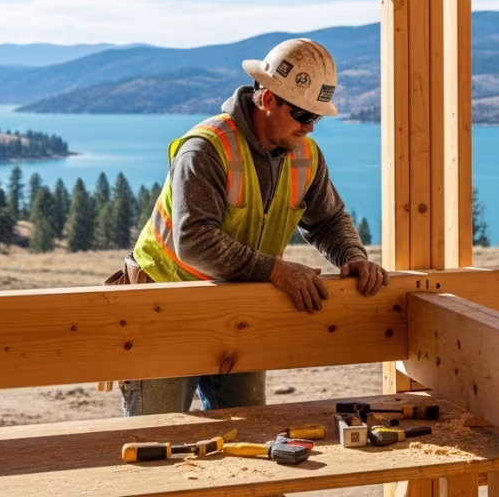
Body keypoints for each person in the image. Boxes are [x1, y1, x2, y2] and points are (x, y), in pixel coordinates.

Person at [120, 37, 388, 416]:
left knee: (247, 434)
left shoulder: (305, 156)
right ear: (267, 99)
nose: (309, 128)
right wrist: (275, 271)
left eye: (316, 118)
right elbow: (194, 242)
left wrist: (353, 256)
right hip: (166, 308)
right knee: (155, 444)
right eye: (301, 115)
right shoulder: (207, 148)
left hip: (241, 307)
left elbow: (328, 219)